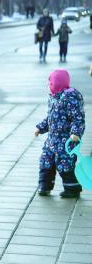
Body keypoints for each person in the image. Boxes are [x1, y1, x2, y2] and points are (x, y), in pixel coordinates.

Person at [34, 69, 85, 199]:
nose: (48, 85)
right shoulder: (53, 98)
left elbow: (77, 118)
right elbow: (50, 118)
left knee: (65, 165)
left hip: (66, 141)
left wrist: (75, 133)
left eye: (50, 83)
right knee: (45, 161)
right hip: (51, 140)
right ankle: (44, 187)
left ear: (56, 84)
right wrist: (40, 128)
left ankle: (72, 189)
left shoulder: (71, 98)